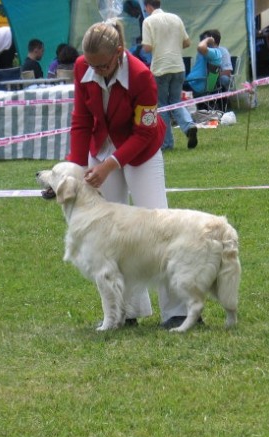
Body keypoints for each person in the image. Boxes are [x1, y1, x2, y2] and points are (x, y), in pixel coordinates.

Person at [66, 19, 191, 329]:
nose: (97, 71)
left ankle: (177, 310)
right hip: (101, 147)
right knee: (111, 236)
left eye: (104, 65)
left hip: (141, 151)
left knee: (159, 226)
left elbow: (145, 133)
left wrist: (111, 165)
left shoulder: (142, 77)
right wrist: (77, 169)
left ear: (119, 53)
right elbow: (81, 121)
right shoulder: (84, 67)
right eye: (92, 65)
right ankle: (126, 312)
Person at [141, 0, 198, 151]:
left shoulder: (148, 21)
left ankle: (167, 143)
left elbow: (147, 47)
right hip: (178, 66)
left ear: (148, 6)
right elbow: (187, 43)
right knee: (176, 101)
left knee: (162, 105)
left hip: (160, 67)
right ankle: (189, 126)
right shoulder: (175, 18)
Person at [184, 30, 223, 96]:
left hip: (195, 86)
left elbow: (200, 47)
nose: (202, 42)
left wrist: (208, 39)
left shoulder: (215, 53)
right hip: (192, 83)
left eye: (203, 40)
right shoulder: (207, 53)